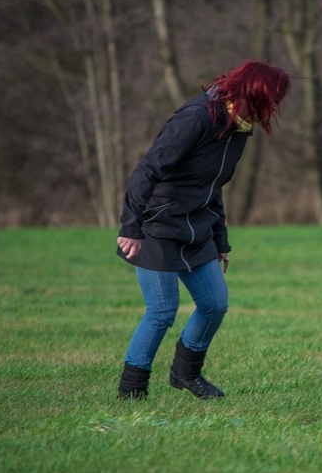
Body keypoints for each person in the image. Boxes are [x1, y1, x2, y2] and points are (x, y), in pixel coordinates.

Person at [115, 60, 291, 400]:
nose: (272, 109)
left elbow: (213, 187)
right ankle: (132, 390)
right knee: (162, 312)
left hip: (197, 227)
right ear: (252, 94)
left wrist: (220, 240)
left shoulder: (238, 129)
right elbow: (147, 170)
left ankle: (185, 373)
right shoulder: (195, 119)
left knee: (215, 303)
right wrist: (131, 226)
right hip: (158, 225)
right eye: (270, 101)